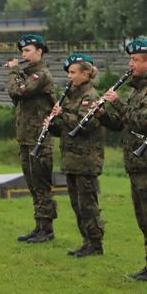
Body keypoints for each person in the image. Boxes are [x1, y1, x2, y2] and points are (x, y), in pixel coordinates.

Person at [100, 39, 147, 281]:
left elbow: (142, 121)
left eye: (135, 60)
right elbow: (123, 124)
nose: (130, 64)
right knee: (143, 217)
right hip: (137, 163)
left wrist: (117, 103)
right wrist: (102, 114)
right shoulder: (138, 89)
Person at [50, 53, 105, 257]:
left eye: (73, 72)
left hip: (86, 159)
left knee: (87, 203)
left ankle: (95, 243)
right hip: (71, 158)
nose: (69, 77)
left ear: (85, 73)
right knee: (76, 203)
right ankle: (86, 240)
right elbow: (64, 129)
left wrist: (62, 114)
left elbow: (85, 125)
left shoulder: (89, 96)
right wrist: (53, 123)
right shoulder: (72, 96)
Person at [7, 33, 57, 243]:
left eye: (27, 50)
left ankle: (47, 228)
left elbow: (18, 92)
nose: (23, 54)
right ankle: (39, 225)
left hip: (39, 138)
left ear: (39, 51)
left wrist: (13, 71)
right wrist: (18, 73)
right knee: (32, 183)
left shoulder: (41, 75)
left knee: (41, 183)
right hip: (26, 138)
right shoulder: (28, 74)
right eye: (22, 51)